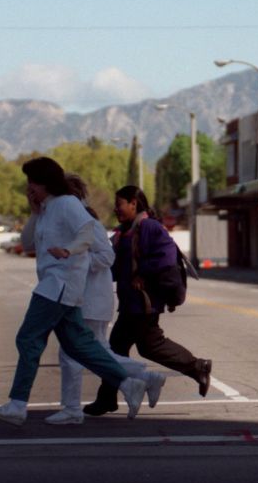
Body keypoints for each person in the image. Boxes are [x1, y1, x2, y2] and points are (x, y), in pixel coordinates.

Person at [0, 157, 156, 426]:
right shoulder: (48, 209)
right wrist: (34, 210)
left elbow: (88, 229)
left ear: (44, 183)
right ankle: (128, 383)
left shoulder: (66, 203)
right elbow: (28, 242)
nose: (29, 189)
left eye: (32, 183)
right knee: (80, 346)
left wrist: (70, 251)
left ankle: (18, 404)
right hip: (60, 287)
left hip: (59, 284)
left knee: (28, 339)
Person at [44, 175, 167, 425]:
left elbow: (106, 256)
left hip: (89, 300)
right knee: (98, 352)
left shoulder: (85, 221)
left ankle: (71, 409)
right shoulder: (72, 219)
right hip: (85, 299)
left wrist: (73, 259)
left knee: (73, 353)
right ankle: (146, 377)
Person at [83, 185, 212, 417]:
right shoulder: (125, 231)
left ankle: (107, 399)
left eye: (120, 203)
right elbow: (116, 266)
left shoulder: (149, 227)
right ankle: (107, 399)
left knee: (130, 346)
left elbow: (167, 256)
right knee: (135, 347)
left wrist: (143, 272)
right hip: (131, 302)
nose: (116, 209)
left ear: (134, 203)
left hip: (144, 302)